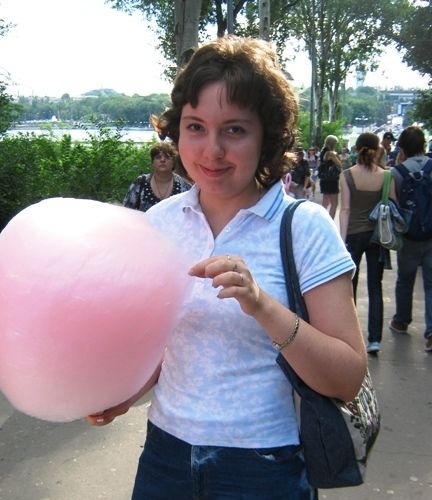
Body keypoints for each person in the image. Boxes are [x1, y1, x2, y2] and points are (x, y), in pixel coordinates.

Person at [87, 36, 367, 499]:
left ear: (266, 137)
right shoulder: (159, 223)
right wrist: (123, 396)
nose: (211, 150)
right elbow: (165, 350)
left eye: (234, 130)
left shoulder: (304, 227)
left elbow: (347, 377)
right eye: (195, 127)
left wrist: (263, 306)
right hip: (166, 457)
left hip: (266, 466)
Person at [339, 132, 397, 354]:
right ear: (378, 149)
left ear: (356, 148)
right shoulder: (387, 176)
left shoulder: (347, 175)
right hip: (377, 237)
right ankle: (375, 339)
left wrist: (341, 241)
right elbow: (392, 205)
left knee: (349, 286)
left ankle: (351, 335)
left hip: (353, 236)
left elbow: (345, 210)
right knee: (375, 286)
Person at [390, 126, 432, 353]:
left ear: (402, 148)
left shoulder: (396, 173)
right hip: (431, 235)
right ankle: (431, 332)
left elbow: (393, 206)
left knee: (404, 281)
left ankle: (401, 320)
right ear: (423, 145)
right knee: (431, 284)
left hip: (407, 236)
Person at [122, 142, 191, 211]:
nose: (162, 160)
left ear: (173, 162)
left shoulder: (184, 186)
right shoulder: (141, 182)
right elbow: (127, 210)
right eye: (158, 157)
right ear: (152, 162)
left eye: (167, 157)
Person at [318, 135, 342, 219]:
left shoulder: (322, 152)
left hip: (324, 179)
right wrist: (337, 157)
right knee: (334, 203)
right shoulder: (331, 153)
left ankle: (321, 219)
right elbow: (339, 164)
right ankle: (330, 221)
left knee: (325, 202)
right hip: (332, 180)